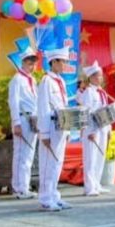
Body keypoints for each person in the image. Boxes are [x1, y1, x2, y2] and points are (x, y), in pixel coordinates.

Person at [37, 46, 72, 212]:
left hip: (61, 126)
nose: (65, 64)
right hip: (50, 125)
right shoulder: (46, 81)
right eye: (63, 61)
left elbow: (64, 106)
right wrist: (44, 132)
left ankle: (54, 195)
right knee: (47, 163)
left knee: (57, 162)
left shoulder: (61, 81)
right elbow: (43, 107)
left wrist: (68, 129)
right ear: (54, 62)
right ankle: (45, 198)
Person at [7, 47, 39, 200]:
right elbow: (13, 102)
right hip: (22, 119)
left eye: (34, 63)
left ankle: (23, 186)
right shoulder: (17, 79)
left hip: (32, 119)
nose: (32, 66)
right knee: (21, 155)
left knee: (28, 155)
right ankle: (19, 187)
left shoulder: (32, 80)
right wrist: (16, 123)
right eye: (29, 63)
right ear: (23, 62)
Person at [78, 60, 112, 197]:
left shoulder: (101, 92)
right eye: (98, 75)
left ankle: (97, 184)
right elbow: (86, 112)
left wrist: (109, 129)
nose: (100, 78)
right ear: (91, 77)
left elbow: (106, 111)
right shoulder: (89, 92)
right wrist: (90, 131)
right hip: (92, 129)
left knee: (100, 156)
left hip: (102, 128)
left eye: (101, 75)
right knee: (90, 158)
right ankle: (89, 187)